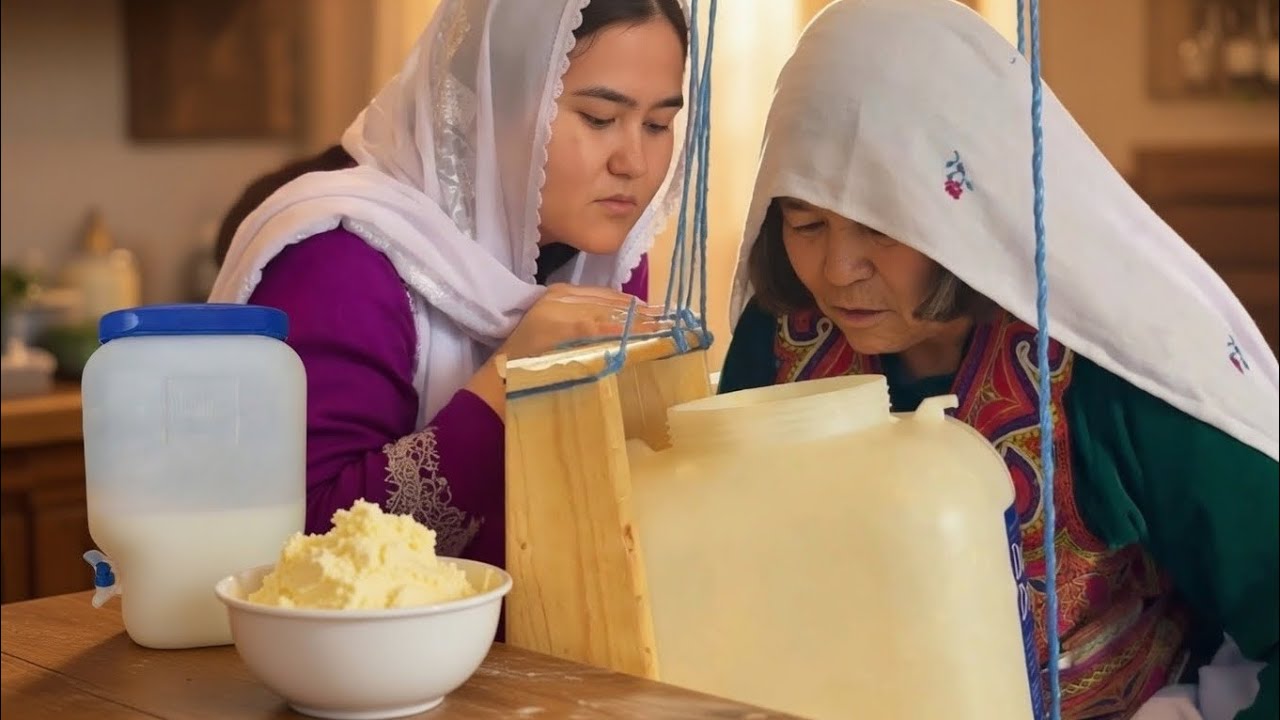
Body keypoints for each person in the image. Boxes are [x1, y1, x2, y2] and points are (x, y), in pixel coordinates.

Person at [717, 1, 1277, 719]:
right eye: (805, 224)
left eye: (881, 228)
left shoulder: (1112, 368)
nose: (837, 269)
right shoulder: (782, 341)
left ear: (960, 208)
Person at [210, 0, 692, 573]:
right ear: (492, 105)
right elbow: (304, 555)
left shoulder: (601, 259)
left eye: (659, 125)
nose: (635, 162)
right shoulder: (341, 259)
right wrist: (504, 387)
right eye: (599, 118)